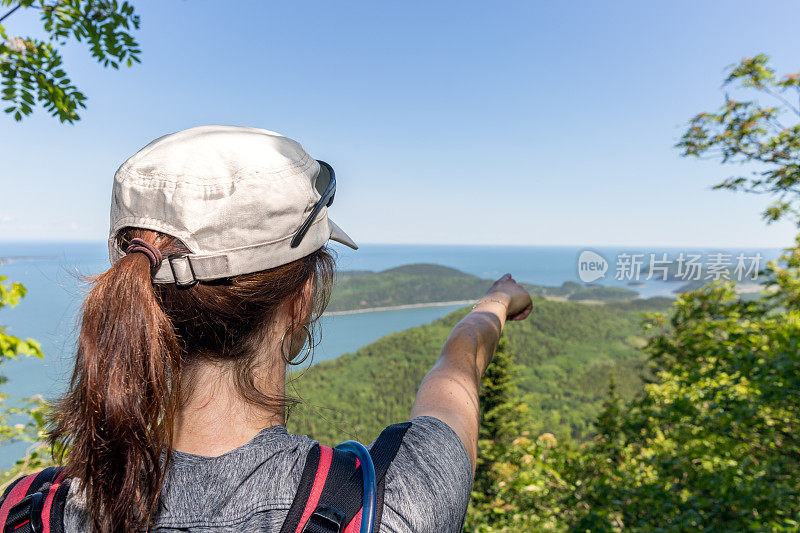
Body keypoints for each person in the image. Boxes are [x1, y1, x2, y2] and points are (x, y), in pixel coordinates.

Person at [5, 126, 533, 532]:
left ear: (140, 297)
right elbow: (453, 380)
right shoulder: (393, 507)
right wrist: (495, 304)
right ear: (300, 303)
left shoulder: (28, 511)